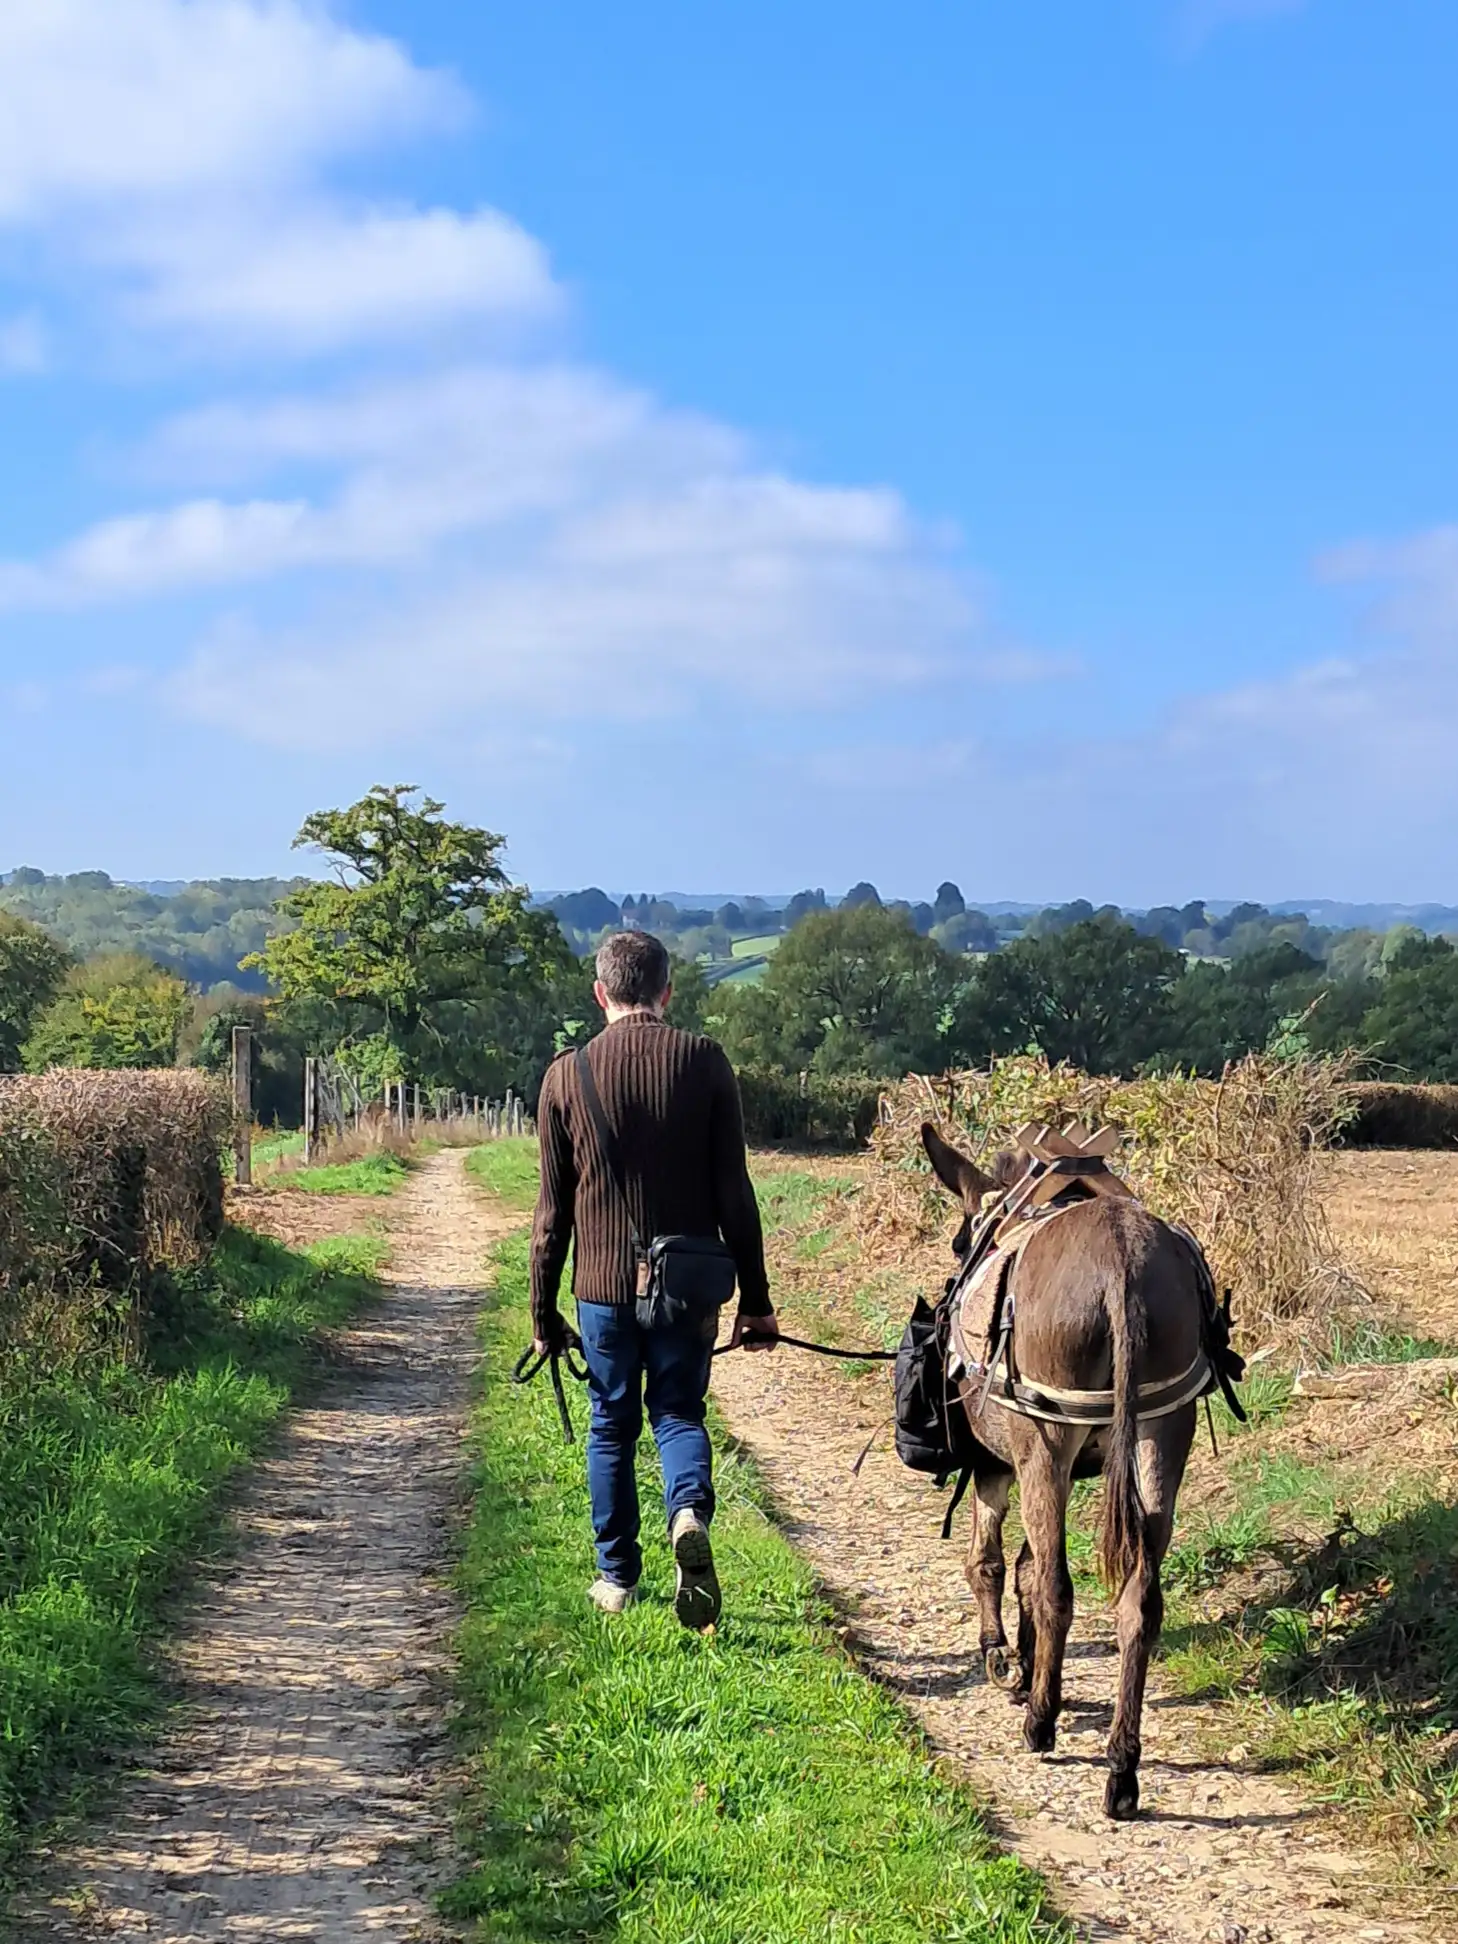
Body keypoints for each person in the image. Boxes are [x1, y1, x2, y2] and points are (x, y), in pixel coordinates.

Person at [531, 930, 778, 1628]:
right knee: (677, 1412)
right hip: (689, 1284)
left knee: (611, 1422)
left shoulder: (564, 1076)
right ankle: (689, 1515)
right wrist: (756, 1301)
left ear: (600, 993)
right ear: (667, 991)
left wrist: (543, 1312)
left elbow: (553, 1214)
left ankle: (616, 1577)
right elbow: (736, 1192)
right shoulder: (706, 1063)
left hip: (603, 1288)